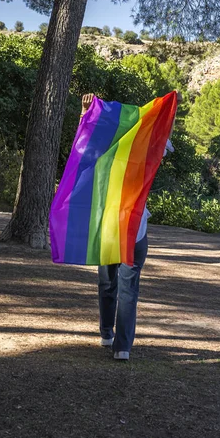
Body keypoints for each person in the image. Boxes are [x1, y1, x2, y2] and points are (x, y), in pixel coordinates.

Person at [80, 92, 180, 361]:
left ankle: (106, 334)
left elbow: (84, 148)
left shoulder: (103, 153)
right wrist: (171, 107)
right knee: (127, 288)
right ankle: (121, 347)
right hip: (134, 229)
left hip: (109, 227)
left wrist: (86, 113)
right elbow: (163, 133)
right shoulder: (146, 152)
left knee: (108, 284)